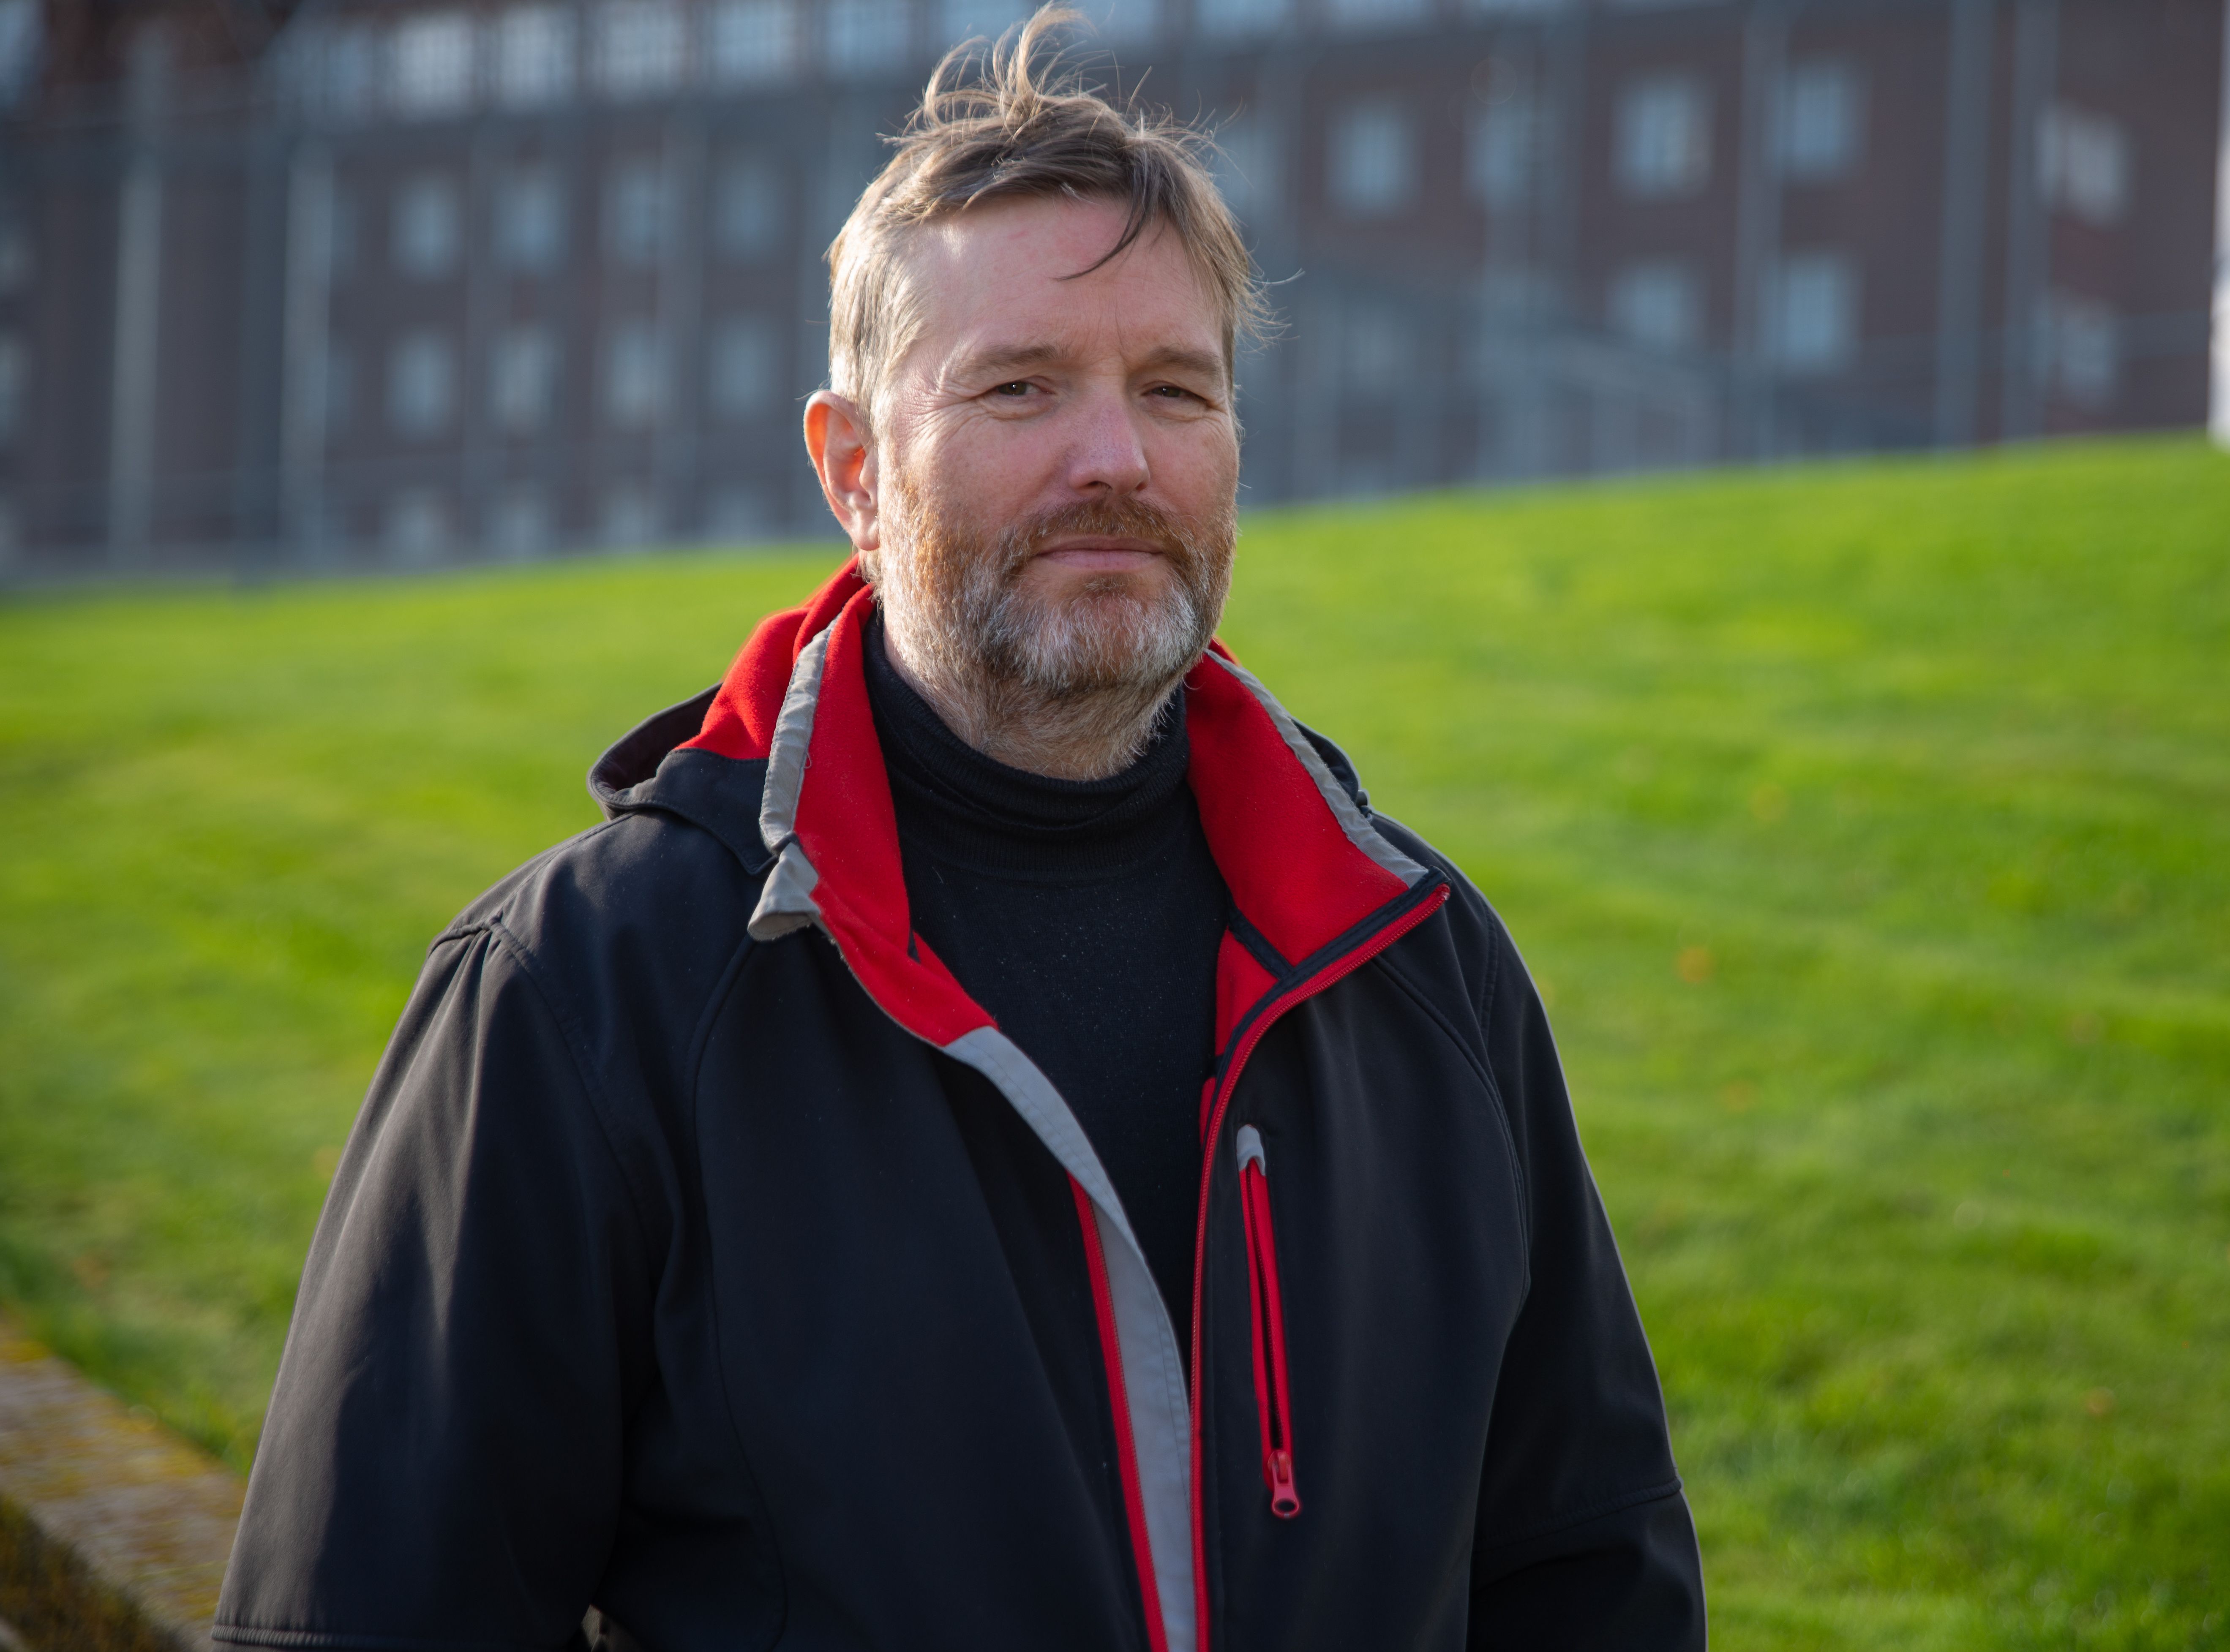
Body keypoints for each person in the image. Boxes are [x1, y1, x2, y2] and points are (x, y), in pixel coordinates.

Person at [214, 14, 1704, 1650]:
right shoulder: (585, 991)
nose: (1115, 460)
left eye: (1175, 390)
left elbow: (1590, 1573)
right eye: (1019, 388)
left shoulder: (1418, 967)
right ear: (852, 469)